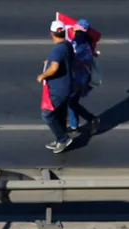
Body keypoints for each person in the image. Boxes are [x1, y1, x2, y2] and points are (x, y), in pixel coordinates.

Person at [37, 21, 74, 154]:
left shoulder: (57, 49)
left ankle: (63, 138)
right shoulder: (67, 45)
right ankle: (61, 136)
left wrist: (42, 75)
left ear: (52, 34)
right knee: (60, 113)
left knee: (47, 114)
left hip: (58, 89)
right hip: (68, 86)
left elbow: (54, 68)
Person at [68, 19, 100, 136]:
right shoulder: (87, 40)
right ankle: (74, 125)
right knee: (72, 101)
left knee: (71, 101)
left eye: (75, 27)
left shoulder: (78, 41)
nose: (73, 28)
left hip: (78, 76)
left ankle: (91, 119)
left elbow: (73, 56)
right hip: (84, 75)